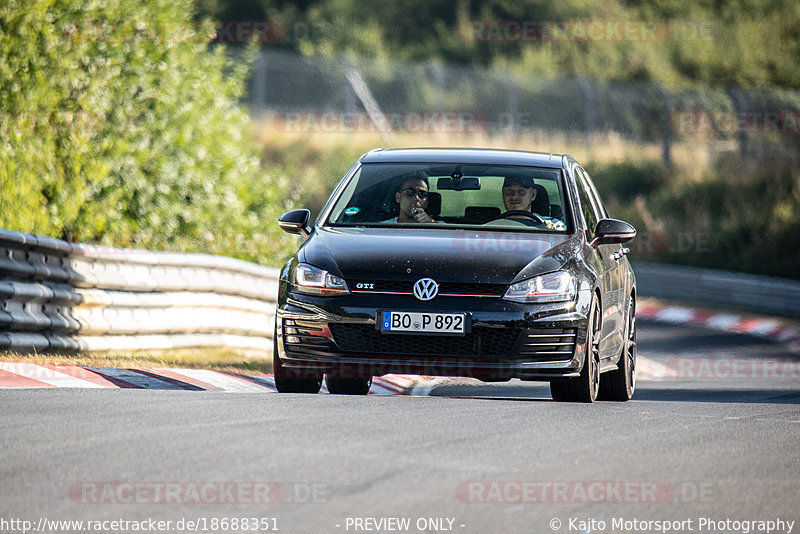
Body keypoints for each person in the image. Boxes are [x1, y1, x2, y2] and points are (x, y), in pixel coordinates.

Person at [501, 176, 567, 230]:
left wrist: (549, 232)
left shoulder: (555, 224)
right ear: (503, 194)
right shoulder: (492, 225)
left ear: (533, 194)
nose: (514, 197)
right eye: (509, 191)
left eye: (521, 191)